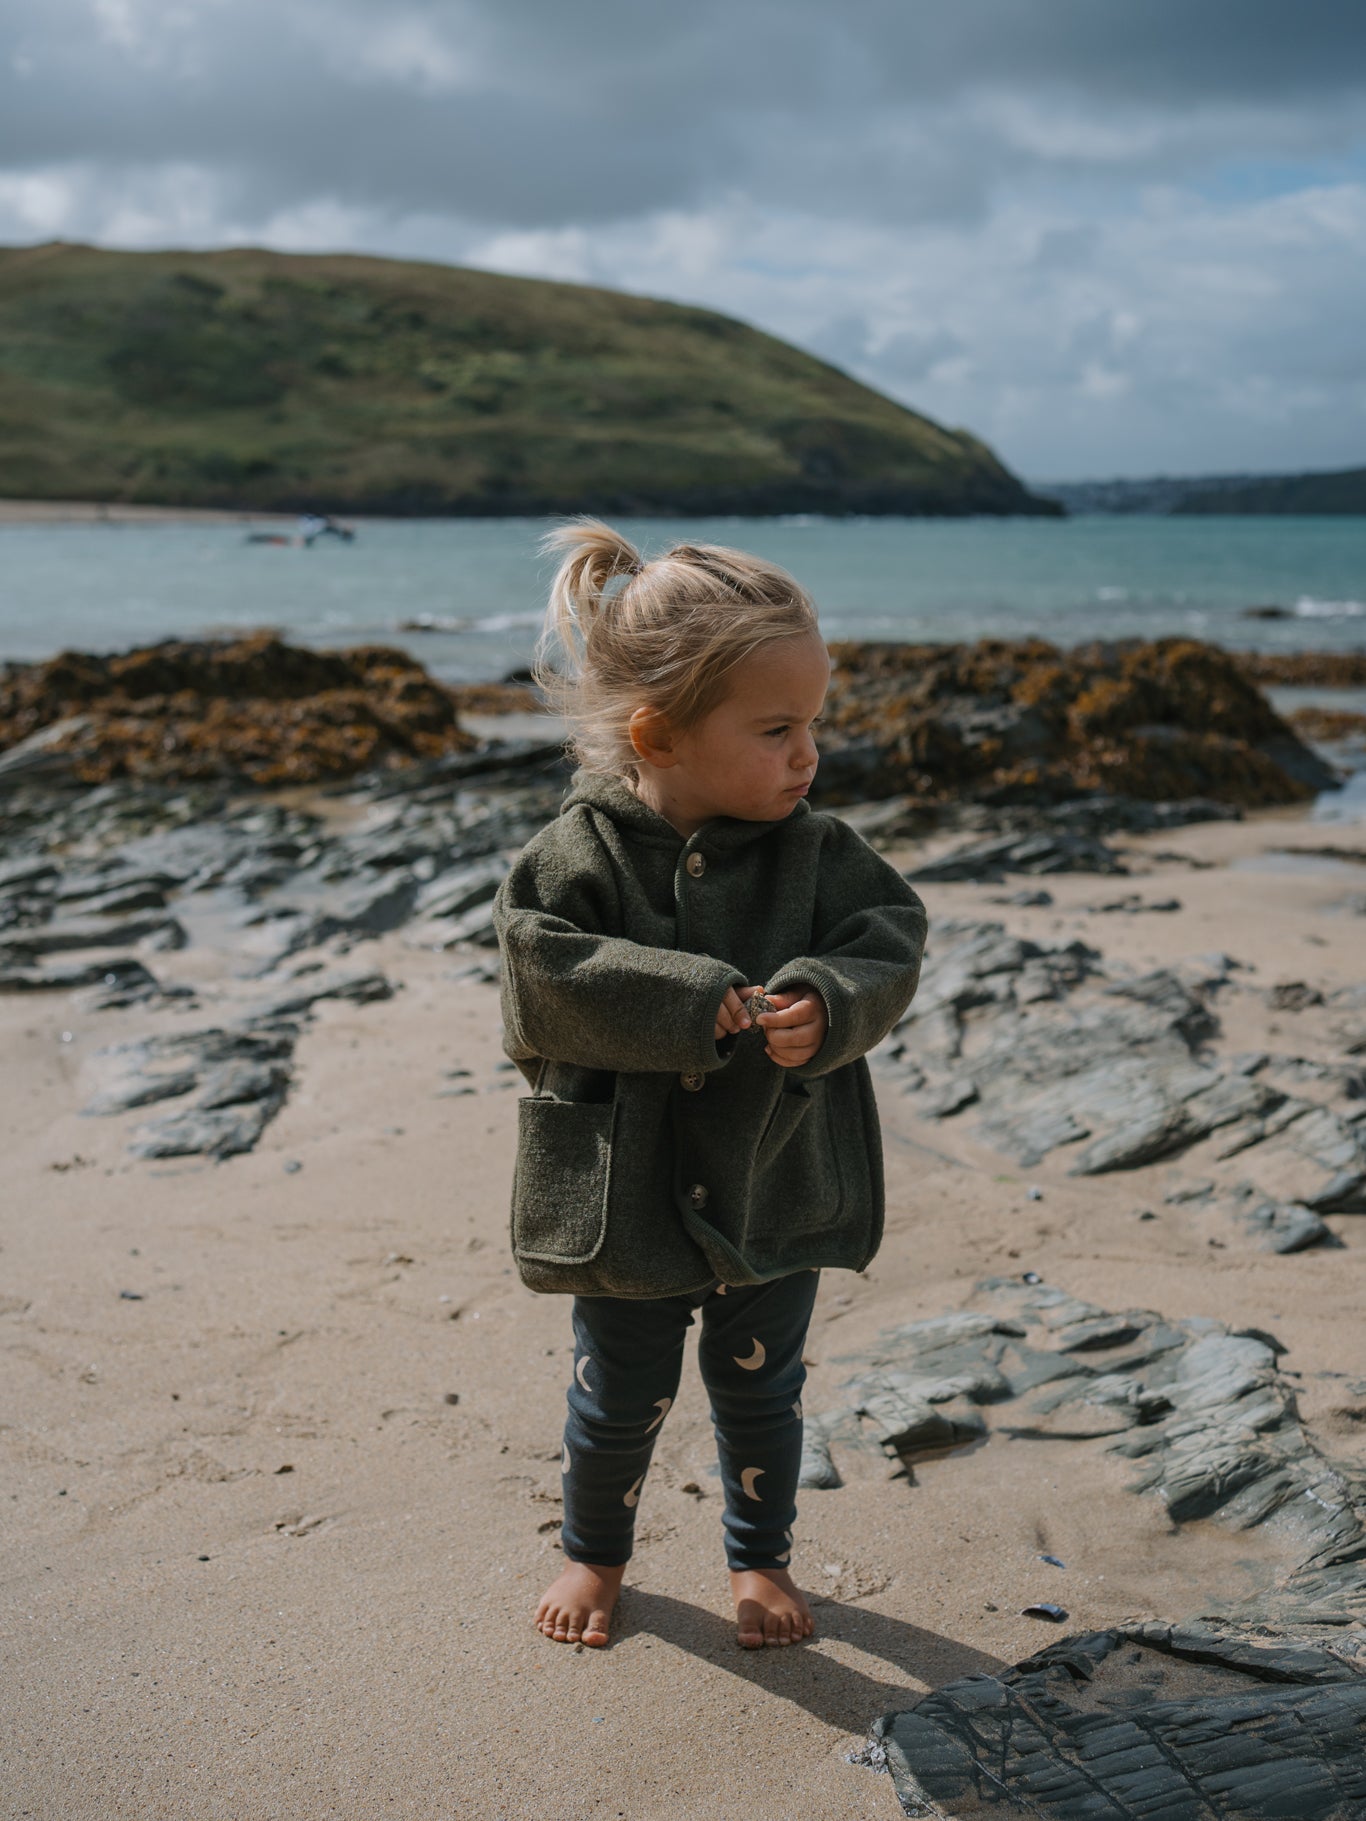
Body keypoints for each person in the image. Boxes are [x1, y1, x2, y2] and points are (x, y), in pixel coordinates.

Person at [492, 521, 928, 1650]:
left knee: (759, 1386)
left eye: (813, 724)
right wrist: (689, 1002)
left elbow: (891, 938)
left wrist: (829, 1002)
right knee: (616, 1393)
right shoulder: (574, 855)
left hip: (774, 1178)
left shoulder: (818, 851)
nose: (807, 755)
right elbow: (538, 980)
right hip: (624, 1189)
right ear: (659, 735)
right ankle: (593, 1554)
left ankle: (759, 1559)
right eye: (776, 729)